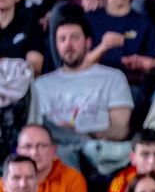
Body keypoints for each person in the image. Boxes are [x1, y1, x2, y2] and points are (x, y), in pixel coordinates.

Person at [28, 15, 134, 176]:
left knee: (65, 150)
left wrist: (85, 133)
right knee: (53, 140)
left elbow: (121, 129)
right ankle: (83, 145)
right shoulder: (41, 85)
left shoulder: (113, 77)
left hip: (95, 148)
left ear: (88, 42)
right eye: (62, 39)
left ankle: (85, 145)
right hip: (55, 150)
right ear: (56, 45)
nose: (68, 45)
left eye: (74, 38)